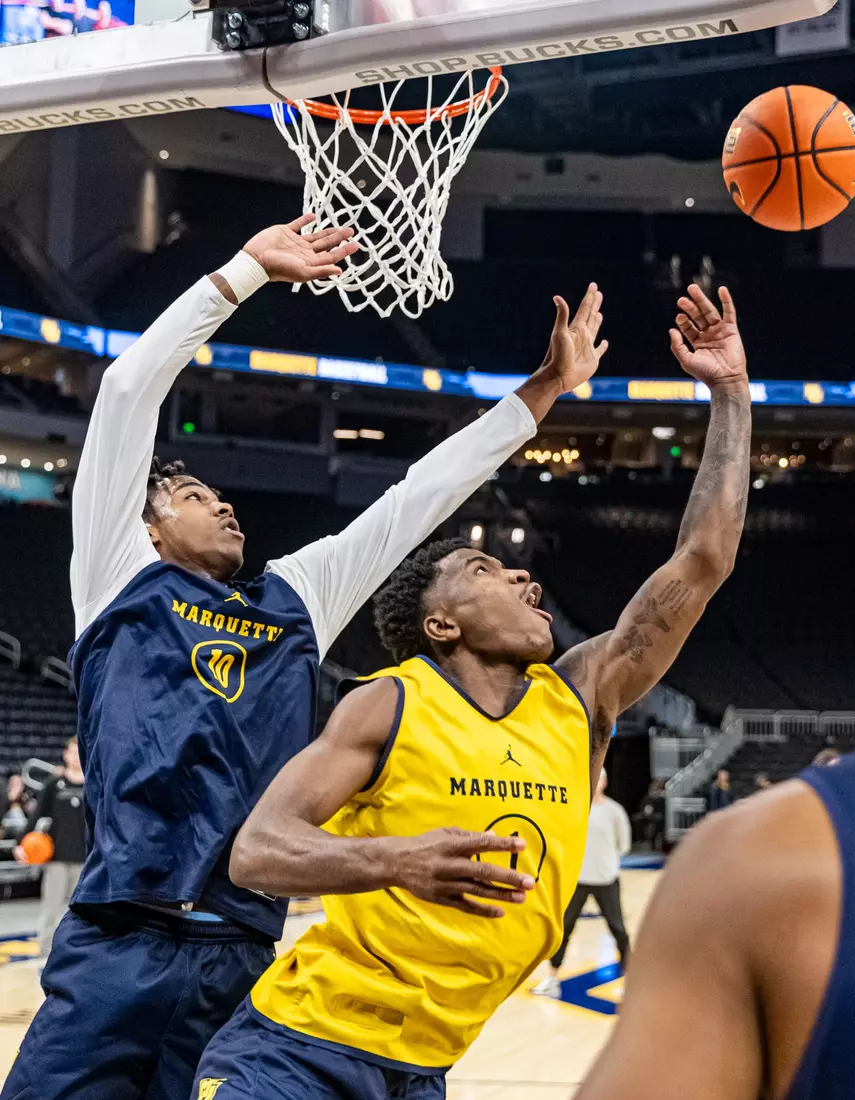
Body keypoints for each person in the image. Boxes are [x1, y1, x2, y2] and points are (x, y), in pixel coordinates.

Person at [2, 214, 612, 1100]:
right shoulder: (114, 574)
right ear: (145, 522)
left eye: (222, 496)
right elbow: (130, 387)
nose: (224, 507)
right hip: (116, 940)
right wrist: (245, 270)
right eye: (194, 495)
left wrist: (543, 393)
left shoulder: (298, 597)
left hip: (245, 956)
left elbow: (419, 497)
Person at [190, 282, 752, 1100]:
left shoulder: (582, 696)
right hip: (297, 1051)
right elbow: (257, 851)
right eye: (484, 570)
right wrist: (397, 859)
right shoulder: (390, 701)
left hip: (425, 1071)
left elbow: (702, 562)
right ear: (442, 625)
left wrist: (731, 392)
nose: (524, 575)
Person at [574, 745, 855, 1100]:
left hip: (609, 873)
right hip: (589, 874)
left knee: (616, 927)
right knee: (570, 928)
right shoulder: (760, 855)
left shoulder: (749, 855)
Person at [532, 768, 631, 997]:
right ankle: (551, 978)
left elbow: (623, 844)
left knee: (617, 928)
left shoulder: (614, 811)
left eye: (600, 779)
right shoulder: (576, 810)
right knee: (564, 928)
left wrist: (607, 862)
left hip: (606, 879)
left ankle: (630, 980)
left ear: (605, 783)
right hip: (579, 878)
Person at [14, 737, 86, 957]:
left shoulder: (94, 784)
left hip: (86, 859)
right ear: (65, 755)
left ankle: (80, 955)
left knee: (83, 914)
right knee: (50, 911)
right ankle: (44, 956)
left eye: (78, 752)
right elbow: (34, 817)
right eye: (71, 752)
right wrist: (20, 844)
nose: (74, 756)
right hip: (57, 858)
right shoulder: (54, 784)